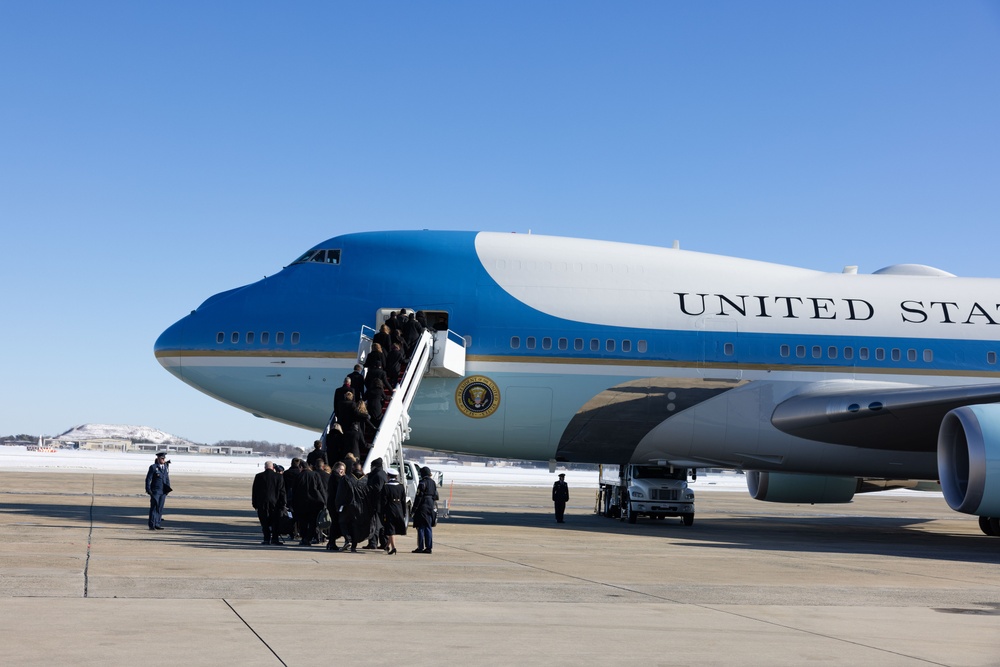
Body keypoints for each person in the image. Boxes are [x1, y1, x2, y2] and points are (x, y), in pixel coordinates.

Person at [252, 461, 286, 545]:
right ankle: (275, 539)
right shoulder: (279, 477)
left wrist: (255, 503)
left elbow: (255, 491)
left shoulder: (259, 476)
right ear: (273, 468)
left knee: (264, 522)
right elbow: (282, 491)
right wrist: (283, 503)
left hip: (262, 503)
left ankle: (266, 539)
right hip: (275, 503)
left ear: (265, 467)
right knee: (275, 521)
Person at [411, 466, 438, 554]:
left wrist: (414, 509)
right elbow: (435, 496)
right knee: (428, 527)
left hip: (422, 507)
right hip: (430, 506)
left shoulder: (422, 483)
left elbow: (418, 497)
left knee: (421, 527)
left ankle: (420, 547)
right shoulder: (433, 482)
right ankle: (429, 547)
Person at [380, 467, 406, 555]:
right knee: (392, 529)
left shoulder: (386, 486)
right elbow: (403, 500)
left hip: (390, 508)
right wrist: (404, 512)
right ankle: (387, 546)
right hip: (399, 508)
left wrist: (382, 511)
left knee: (390, 529)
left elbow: (383, 501)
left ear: (388, 476)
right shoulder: (401, 486)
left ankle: (394, 547)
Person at [144, 452, 171, 530]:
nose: (163, 459)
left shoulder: (165, 467)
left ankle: (157, 524)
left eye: (164, 458)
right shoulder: (153, 467)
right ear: (158, 458)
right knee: (154, 508)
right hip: (155, 491)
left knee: (160, 508)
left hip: (163, 491)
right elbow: (148, 479)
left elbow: (167, 478)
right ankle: (152, 525)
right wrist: (148, 489)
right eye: (162, 458)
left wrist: (168, 489)